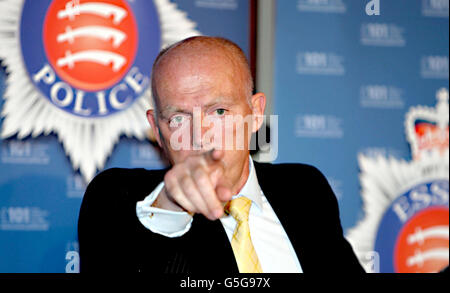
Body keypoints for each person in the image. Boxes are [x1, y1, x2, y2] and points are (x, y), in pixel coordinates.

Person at [78, 36, 365, 273]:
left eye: (219, 112)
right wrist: (174, 204)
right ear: (156, 129)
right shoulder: (115, 199)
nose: (200, 136)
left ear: (255, 114)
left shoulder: (305, 188)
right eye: (178, 118)